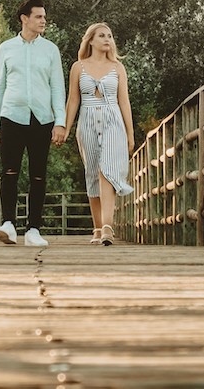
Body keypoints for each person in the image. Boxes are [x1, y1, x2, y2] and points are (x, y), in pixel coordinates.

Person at [0, 0, 66, 246]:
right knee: (9, 172)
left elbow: (58, 88)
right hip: (11, 116)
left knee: (38, 175)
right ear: (25, 19)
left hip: (42, 118)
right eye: (38, 16)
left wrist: (60, 122)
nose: (43, 20)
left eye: (44, 17)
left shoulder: (51, 50)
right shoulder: (6, 48)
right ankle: (8, 224)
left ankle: (33, 229)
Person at [59, 22, 135, 246]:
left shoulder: (118, 67)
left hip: (113, 120)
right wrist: (65, 127)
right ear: (90, 40)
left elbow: (124, 101)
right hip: (87, 120)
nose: (107, 39)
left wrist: (130, 134)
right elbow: (73, 100)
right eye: (101, 35)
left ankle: (108, 228)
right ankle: (97, 227)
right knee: (92, 172)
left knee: (106, 170)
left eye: (110, 36)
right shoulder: (78, 67)